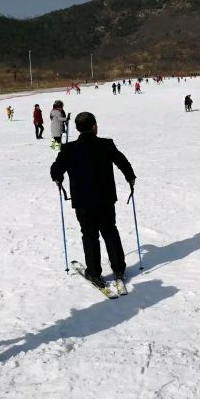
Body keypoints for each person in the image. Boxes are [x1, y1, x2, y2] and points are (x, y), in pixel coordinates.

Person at [50, 112, 136, 286]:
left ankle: (94, 272)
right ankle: (118, 268)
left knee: (89, 235)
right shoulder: (106, 144)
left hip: (83, 201)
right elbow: (122, 161)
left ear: (77, 128)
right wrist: (130, 176)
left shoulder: (68, 149)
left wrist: (57, 178)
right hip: (105, 199)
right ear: (94, 126)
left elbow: (56, 170)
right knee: (110, 231)